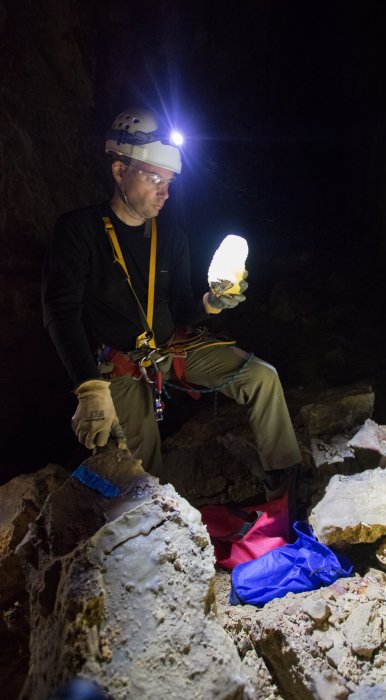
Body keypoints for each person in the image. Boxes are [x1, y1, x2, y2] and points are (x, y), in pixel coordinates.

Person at [42, 107, 303, 499]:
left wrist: (212, 301)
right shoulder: (80, 231)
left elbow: (181, 308)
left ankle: (284, 484)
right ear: (119, 173)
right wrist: (89, 387)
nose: (165, 193)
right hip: (122, 363)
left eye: (170, 182)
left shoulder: (171, 237)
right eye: (154, 180)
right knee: (147, 478)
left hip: (173, 347)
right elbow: (60, 311)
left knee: (262, 378)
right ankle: (162, 520)